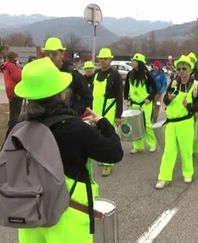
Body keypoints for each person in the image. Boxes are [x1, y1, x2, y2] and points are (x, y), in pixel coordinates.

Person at [15, 57, 123, 243]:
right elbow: (114, 152)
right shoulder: (74, 128)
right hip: (68, 216)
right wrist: (104, 123)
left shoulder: (18, 128)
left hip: (30, 214)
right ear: (60, 93)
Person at [155, 55, 198, 189]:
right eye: (179, 68)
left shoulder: (195, 85)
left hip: (186, 122)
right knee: (169, 151)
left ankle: (187, 172)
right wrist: (169, 98)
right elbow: (165, 101)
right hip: (171, 123)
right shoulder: (173, 83)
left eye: (184, 68)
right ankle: (163, 177)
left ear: (190, 70)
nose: (181, 71)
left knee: (186, 149)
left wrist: (189, 106)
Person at [92, 48, 123, 176]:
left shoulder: (115, 75)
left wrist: (118, 115)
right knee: (98, 136)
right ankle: (102, 157)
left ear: (110, 60)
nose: (103, 61)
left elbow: (119, 96)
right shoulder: (96, 73)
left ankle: (108, 164)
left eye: (105, 59)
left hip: (109, 110)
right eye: (101, 59)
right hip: (96, 111)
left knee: (109, 137)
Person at [43, 37, 92, 117]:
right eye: (47, 54)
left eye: (54, 54)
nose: (50, 57)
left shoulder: (73, 74)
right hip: (48, 120)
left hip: (67, 121)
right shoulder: (43, 74)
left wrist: (73, 113)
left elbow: (87, 97)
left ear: (62, 54)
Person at [124, 53, 158, 153]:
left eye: (134, 61)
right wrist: (126, 98)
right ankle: (138, 146)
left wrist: (150, 98)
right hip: (133, 103)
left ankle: (152, 144)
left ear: (140, 63)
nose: (132, 62)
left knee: (147, 124)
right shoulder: (130, 74)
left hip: (145, 104)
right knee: (134, 125)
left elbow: (155, 88)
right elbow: (126, 87)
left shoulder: (147, 74)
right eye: (132, 61)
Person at [1, 51, 23, 139]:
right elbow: (18, 77)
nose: (18, 59)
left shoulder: (7, 65)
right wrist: (21, 70)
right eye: (17, 58)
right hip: (15, 92)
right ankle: (11, 134)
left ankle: (11, 132)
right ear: (14, 58)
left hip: (11, 92)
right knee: (15, 115)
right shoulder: (11, 66)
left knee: (13, 113)